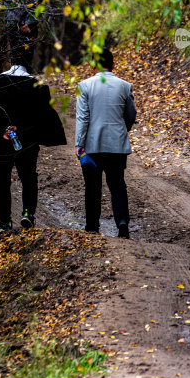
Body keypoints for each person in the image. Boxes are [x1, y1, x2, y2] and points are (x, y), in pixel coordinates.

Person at [0, 53, 66, 232]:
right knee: (28, 177)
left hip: (2, 139)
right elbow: (43, 117)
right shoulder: (37, 87)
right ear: (30, 63)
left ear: (10, 61)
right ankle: (28, 213)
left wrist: (0, 130)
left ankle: (5, 221)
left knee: (2, 178)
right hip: (28, 139)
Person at [75, 48, 136, 238]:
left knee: (92, 185)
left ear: (94, 65)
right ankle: (123, 223)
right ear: (113, 64)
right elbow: (131, 114)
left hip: (92, 145)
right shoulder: (125, 86)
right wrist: (122, 129)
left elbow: (83, 118)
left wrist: (79, 143)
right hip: (117, 144)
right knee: (117, 183)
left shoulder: (84, 86)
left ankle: (92, 225)